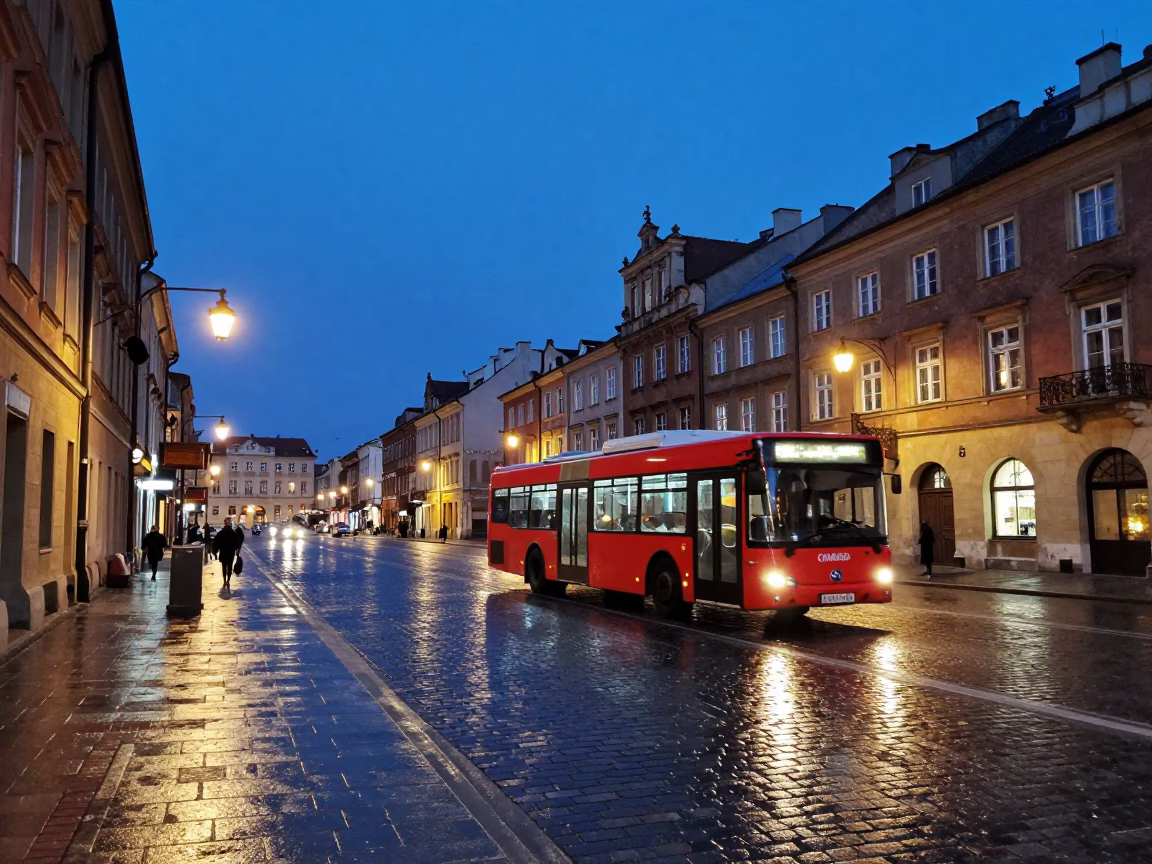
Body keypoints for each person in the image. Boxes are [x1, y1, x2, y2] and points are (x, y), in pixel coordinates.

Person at [213, 517, 243, 588]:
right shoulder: (233, 533)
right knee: (229, 566)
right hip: (231, 552)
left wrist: (215, 551)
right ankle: (228, 580)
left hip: (223, 552)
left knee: (224, 566)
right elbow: (237, 543)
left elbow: (216, 542)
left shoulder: (221, 533)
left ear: (224, 523)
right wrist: (237, 550)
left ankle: (224, 580)